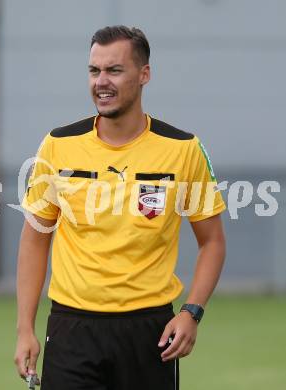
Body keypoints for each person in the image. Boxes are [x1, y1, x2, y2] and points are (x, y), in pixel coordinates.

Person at [14, 26, 226, 390]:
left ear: (144, 74)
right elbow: (35, 239)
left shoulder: (183, 149)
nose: (102, 82)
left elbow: (213, 242)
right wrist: (24, 329)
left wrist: (192, 312)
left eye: (114, 70)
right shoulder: (58, 145)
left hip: (149, 332)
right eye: (94, 71)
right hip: (71, 329)